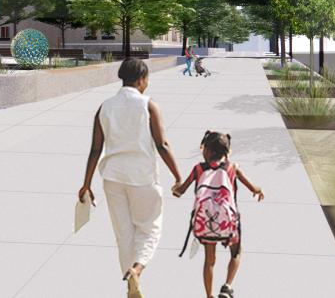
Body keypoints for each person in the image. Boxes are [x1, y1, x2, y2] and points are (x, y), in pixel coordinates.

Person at [77, 58, 183, 298]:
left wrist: (86, 184)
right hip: (142, 176)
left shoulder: (104, 107)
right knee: (149, 228)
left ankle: (129, 279)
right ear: (141, 79)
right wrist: (178, 176)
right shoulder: (148, 105)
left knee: (123, 233)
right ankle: (137, 269)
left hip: (113, 178)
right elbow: (162, 144)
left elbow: (95, 149)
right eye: (146, 80)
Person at [172, 131, 264, 298]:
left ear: (207, 150)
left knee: (209, 260)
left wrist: (175, 187)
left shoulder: (198, 169)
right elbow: (253, 187)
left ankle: (209, 295)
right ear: (226, 152)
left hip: (206, 223)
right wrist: (259, 190)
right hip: (228, 223)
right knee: (236, 252)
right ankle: (227, 286)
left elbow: (180, 191)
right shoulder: (232, 168)